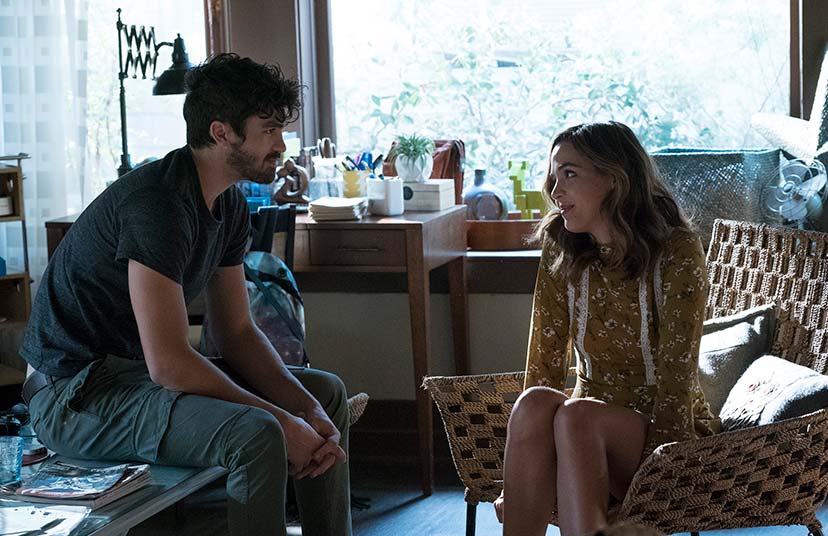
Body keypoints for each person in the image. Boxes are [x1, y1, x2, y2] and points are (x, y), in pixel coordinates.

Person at [19, 53, 351, 536]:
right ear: (221, 133)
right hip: (73, 396)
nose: (281, 145)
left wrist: (305, 410)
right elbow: (170, 364)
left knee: (325, 393)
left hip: (136, 379)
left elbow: (237, 332)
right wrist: (282, 421)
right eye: (269, 130)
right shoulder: (158, 205)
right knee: (258, 432)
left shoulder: (229, 203)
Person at [494, 122, 719, 536]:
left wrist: (663, 465)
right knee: (534, 402)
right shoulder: (561, 248)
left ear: (614, 178)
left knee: (577, 416)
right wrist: (521, 478)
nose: (555, 190)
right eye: (553, 175)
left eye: (569, 173)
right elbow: (543, 359)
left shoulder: (677, 249)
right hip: (578, 430)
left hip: (663, 431)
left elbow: (678, 368)